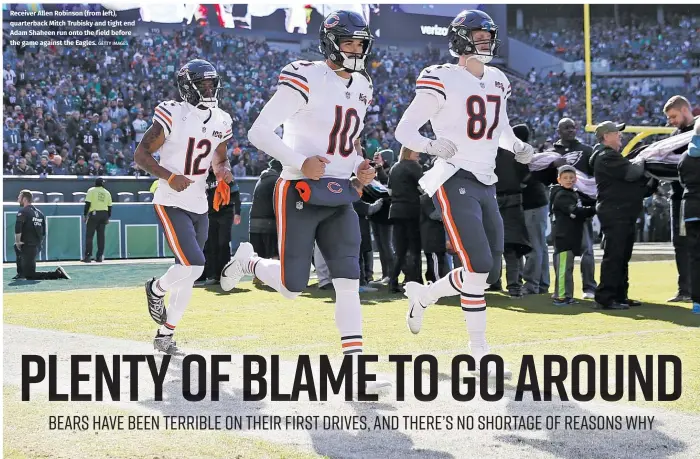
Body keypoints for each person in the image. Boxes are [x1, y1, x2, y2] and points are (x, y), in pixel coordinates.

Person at [220, 10, 390, 394]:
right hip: (299, 189)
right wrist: (299, 161)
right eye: (348, 42)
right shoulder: (306, 74)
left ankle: (356, 370)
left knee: (348, 282)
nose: (356, 49)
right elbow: (259, 131)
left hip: (341, 193)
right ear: (330, 42)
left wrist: (360, 167)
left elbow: (350, 140)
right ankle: (248, 260)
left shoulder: (363, 85)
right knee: (292, 286)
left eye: (360, 43)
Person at [394, 10, 534, 378]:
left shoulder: (499, 79)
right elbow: (404, 130)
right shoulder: (441, 77)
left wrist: (517, 144)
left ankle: (424, 296)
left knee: (485, 273)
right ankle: (478, 352)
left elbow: (500, 127)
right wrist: (430, 145)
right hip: (454, 176)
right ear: (460, 39)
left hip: (487, 181)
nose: (486, 42)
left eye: (489, 36)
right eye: (478, 36)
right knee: (478, 265)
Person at [134, 59, 234, 355]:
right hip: (170, 200)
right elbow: (141, 154)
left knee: (189, 272)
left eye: (211, 84)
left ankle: (165, 335)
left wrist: (224, 172)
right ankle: (156, 289)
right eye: (202, 84)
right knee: (194, 265)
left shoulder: (222, 119)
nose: (208, 89)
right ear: (187, 87)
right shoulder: (173, 113)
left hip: (199, 203)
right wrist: (170, 176)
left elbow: (220, 157)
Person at [590, 121, 652, 310]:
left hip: (622, 211)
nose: (620, 136)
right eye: (617, 133)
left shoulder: (611, 156)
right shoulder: (605, 156)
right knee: (615, 255)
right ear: (606, 136)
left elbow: (630, 184)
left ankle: (620, 295)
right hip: (615, 212)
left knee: (622, 255)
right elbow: (632, 173)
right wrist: (643, 158)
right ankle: (606, 297)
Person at [551, 118, 597, 299]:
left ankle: (589, 287)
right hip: (561, 210)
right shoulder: (552, 152)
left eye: (573, 127)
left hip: (582, 206)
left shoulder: (587, 151)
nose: (570, 130)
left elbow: (594, 179)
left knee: (587, 249)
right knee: (561, 252)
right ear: (558, 130)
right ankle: (562, 289)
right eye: (566, 128)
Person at [663, 95, 698, 303]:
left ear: (685, 110)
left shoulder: (696, 133)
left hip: (691, 198)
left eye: (673, 116)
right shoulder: (676, 135)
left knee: (689, 243)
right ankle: (685, 288)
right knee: (680, 243)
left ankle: (690, 289)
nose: (671, 121)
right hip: (679, 197)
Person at [491, 124, 531, 298]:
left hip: (493, 200)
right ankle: (514, 286)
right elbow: (526, 176)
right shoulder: (515, 153)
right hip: (513, 202)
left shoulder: (488, 153)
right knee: (512, 247)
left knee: (495, 246)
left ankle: (494, 282)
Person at [549, 166, 596, 305]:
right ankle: (561, 297)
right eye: (565, 178)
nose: (569, 180)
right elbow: (575, 211)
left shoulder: (572, 193)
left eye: (571, 178)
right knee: (564, 269)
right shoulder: (562, 195)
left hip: (570, 236)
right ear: (559, 180)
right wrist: (594, 209)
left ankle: (566, 295)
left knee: (567, 267)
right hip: (564, 237)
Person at [387, 146, 423, 293]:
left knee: (400, 250)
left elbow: (389, 190)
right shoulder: (414, 167)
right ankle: (415, 280)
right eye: (416, 151)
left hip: (396, 210)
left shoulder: (395, 167)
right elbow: (423, 188)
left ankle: (393, 281)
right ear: (410, 152)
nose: (418, 153)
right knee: (415, 248)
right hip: (412, 210)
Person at [197, 167, 241, 285]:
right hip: (210, 214)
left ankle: (223, 273)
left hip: (225, 213)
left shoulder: (226, 174)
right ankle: (211, 275)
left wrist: (237, 213)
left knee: (223, 243)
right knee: (210, 245)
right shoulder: (205, 177)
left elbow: (236, 194)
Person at [14, 190, 70, 281]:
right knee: (16, 248)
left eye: (19, 197)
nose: (17, 199)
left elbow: (18, 227)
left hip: (28, 246)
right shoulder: (40, 213)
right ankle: (21, 273)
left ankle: (57, 273)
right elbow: (43, 232)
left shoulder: (23, 211)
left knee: (30, 275)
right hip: (35, 246)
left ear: (24, 199)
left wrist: (17, 241)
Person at [249, 159, 282, 287]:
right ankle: (273, 278)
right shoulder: (275, 181)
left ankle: (257, 276)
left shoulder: (262, 178)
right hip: (268, 222)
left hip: (255, 221)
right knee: (273, 251)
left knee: (259, 252)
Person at [679, 119, 700, 314]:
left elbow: (683, 180)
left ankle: (697, 302)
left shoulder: (685, 157)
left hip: (691, 210)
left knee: (695, 258)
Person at [83, 177, 113, 263]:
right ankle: (99, 257)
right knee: (101, 237)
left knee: (89, 236)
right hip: (104, 214)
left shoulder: (91, 191)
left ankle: (88, 257)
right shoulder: (107, 192)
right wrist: (108, 217)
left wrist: (85, 215)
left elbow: (87, 204)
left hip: (94, 214)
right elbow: (110, 207)